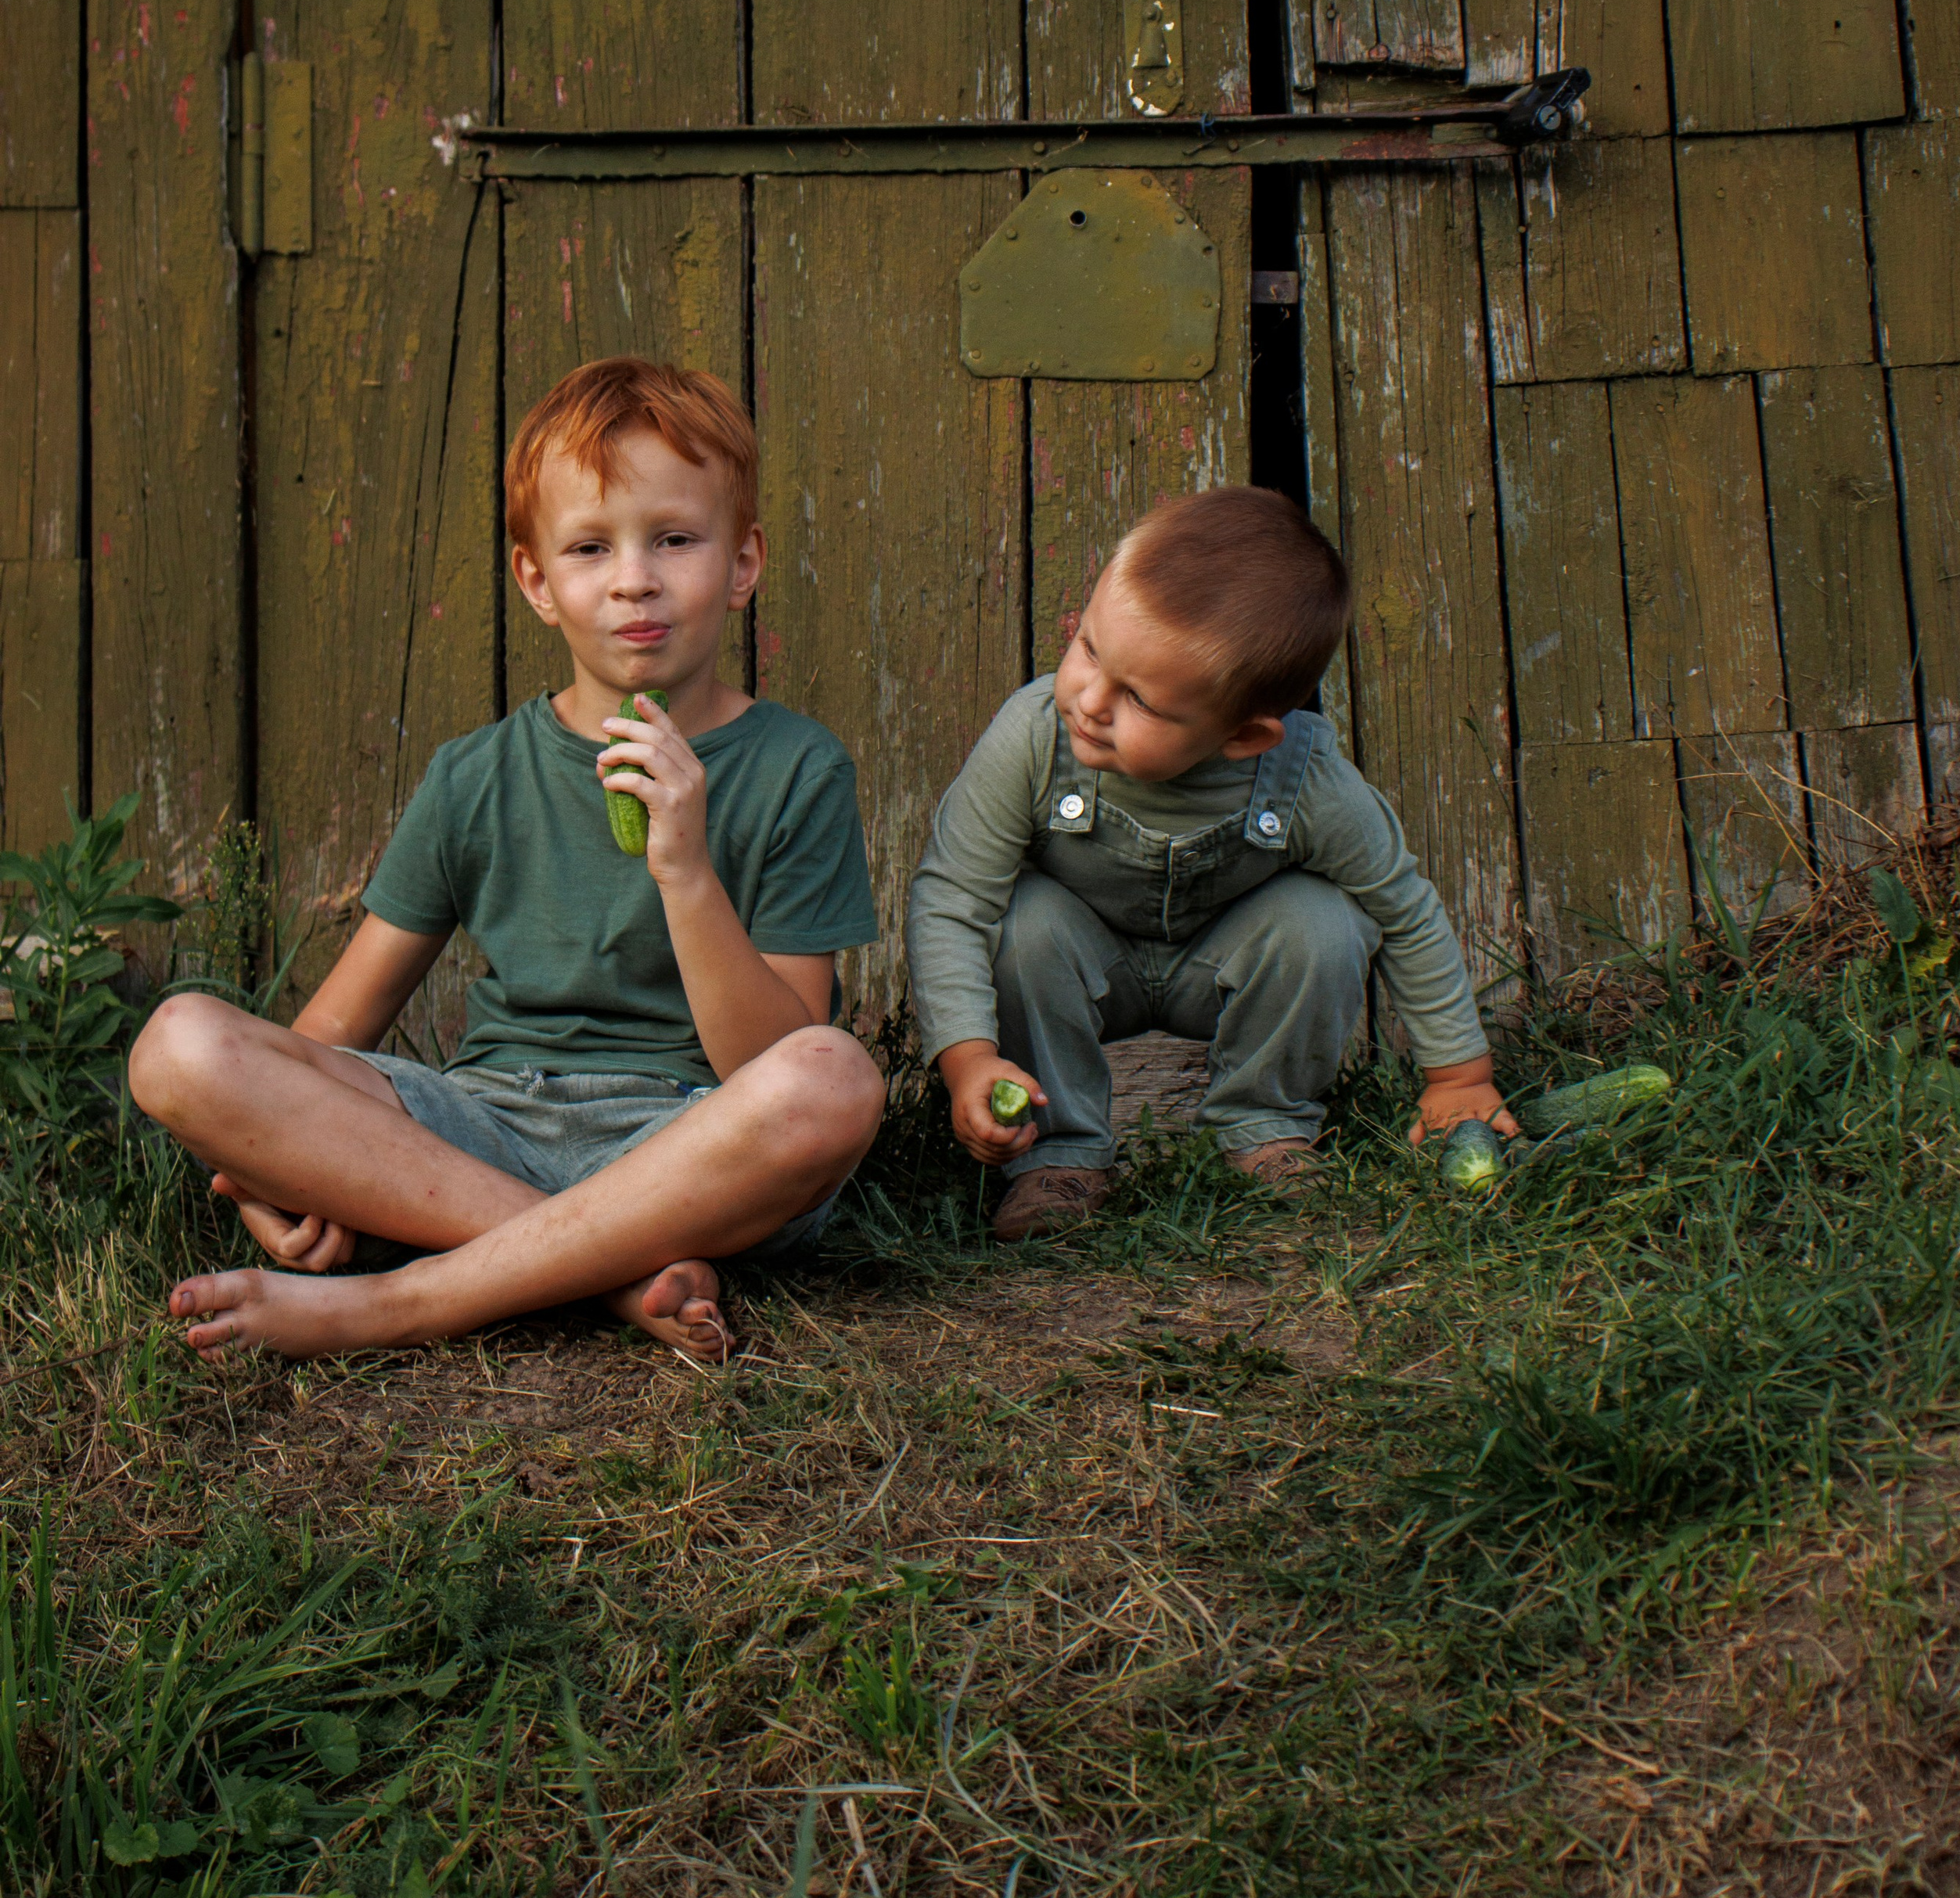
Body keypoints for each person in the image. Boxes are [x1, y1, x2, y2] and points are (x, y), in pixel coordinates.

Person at [134, 357, 883, 1362]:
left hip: (686, 1142)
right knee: (180, 1044)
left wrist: (685, 872)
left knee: (834, 1080)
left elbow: (769, 1066)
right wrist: (275, 1170)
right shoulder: (474, 777)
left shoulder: (798, 768)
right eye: (588, 547)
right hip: (482, 1125)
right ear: (536, 580)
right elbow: (323, 1041)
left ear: (743, 563)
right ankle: (612, 1273)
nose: (633, 579)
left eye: (674, 538)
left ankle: (403, 1301)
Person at [905, 484, 1512, 1239]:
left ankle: (1265, 1126)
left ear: (1244, 737)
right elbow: (952, 897)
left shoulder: (1309, 781)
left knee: (1324, 921)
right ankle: (1059, 1152)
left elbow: (1406, 911)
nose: (1089, 700)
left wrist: (1459, 1076)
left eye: (1141, 700)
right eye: (1088, 648)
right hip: (1084, 959)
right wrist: (968, 1061)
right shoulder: (1032, 741)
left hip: (1223, 963)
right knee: (1019, 921)